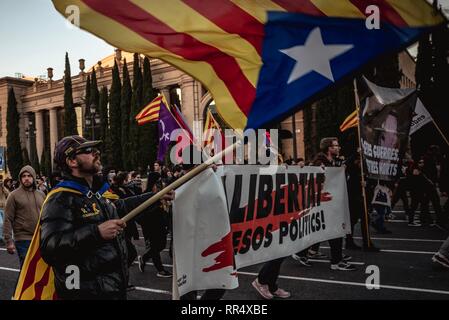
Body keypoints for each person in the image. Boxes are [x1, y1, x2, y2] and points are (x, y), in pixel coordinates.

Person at [39, 135, 173, 300]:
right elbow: (50, 247)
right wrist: (96, 232)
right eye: (88, 150)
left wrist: (155, 197)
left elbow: (119, 207)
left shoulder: (93, 193)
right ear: (72, 161)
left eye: (95, 149)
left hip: (109, 290)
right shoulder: (60, 198)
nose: (96, 153)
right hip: (85, 294)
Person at [3, 165, 46, 268]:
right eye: (24, 176)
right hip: (23, 239)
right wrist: (8, 241)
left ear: (34, 177)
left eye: (29, 176)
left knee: (40, 271)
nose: (26, 178)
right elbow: (8, 219)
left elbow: (46, 216)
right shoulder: (13, 195)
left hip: (41, 238)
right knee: (27, 271)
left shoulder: (41, 195)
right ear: (20, 178)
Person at [0, 175, 9, 246]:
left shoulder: (3, 188)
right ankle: (1, 238)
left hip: (4, 208)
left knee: (5, 224)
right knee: (1, 223)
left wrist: (2, 187)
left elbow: (8, 194)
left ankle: (4, 238)